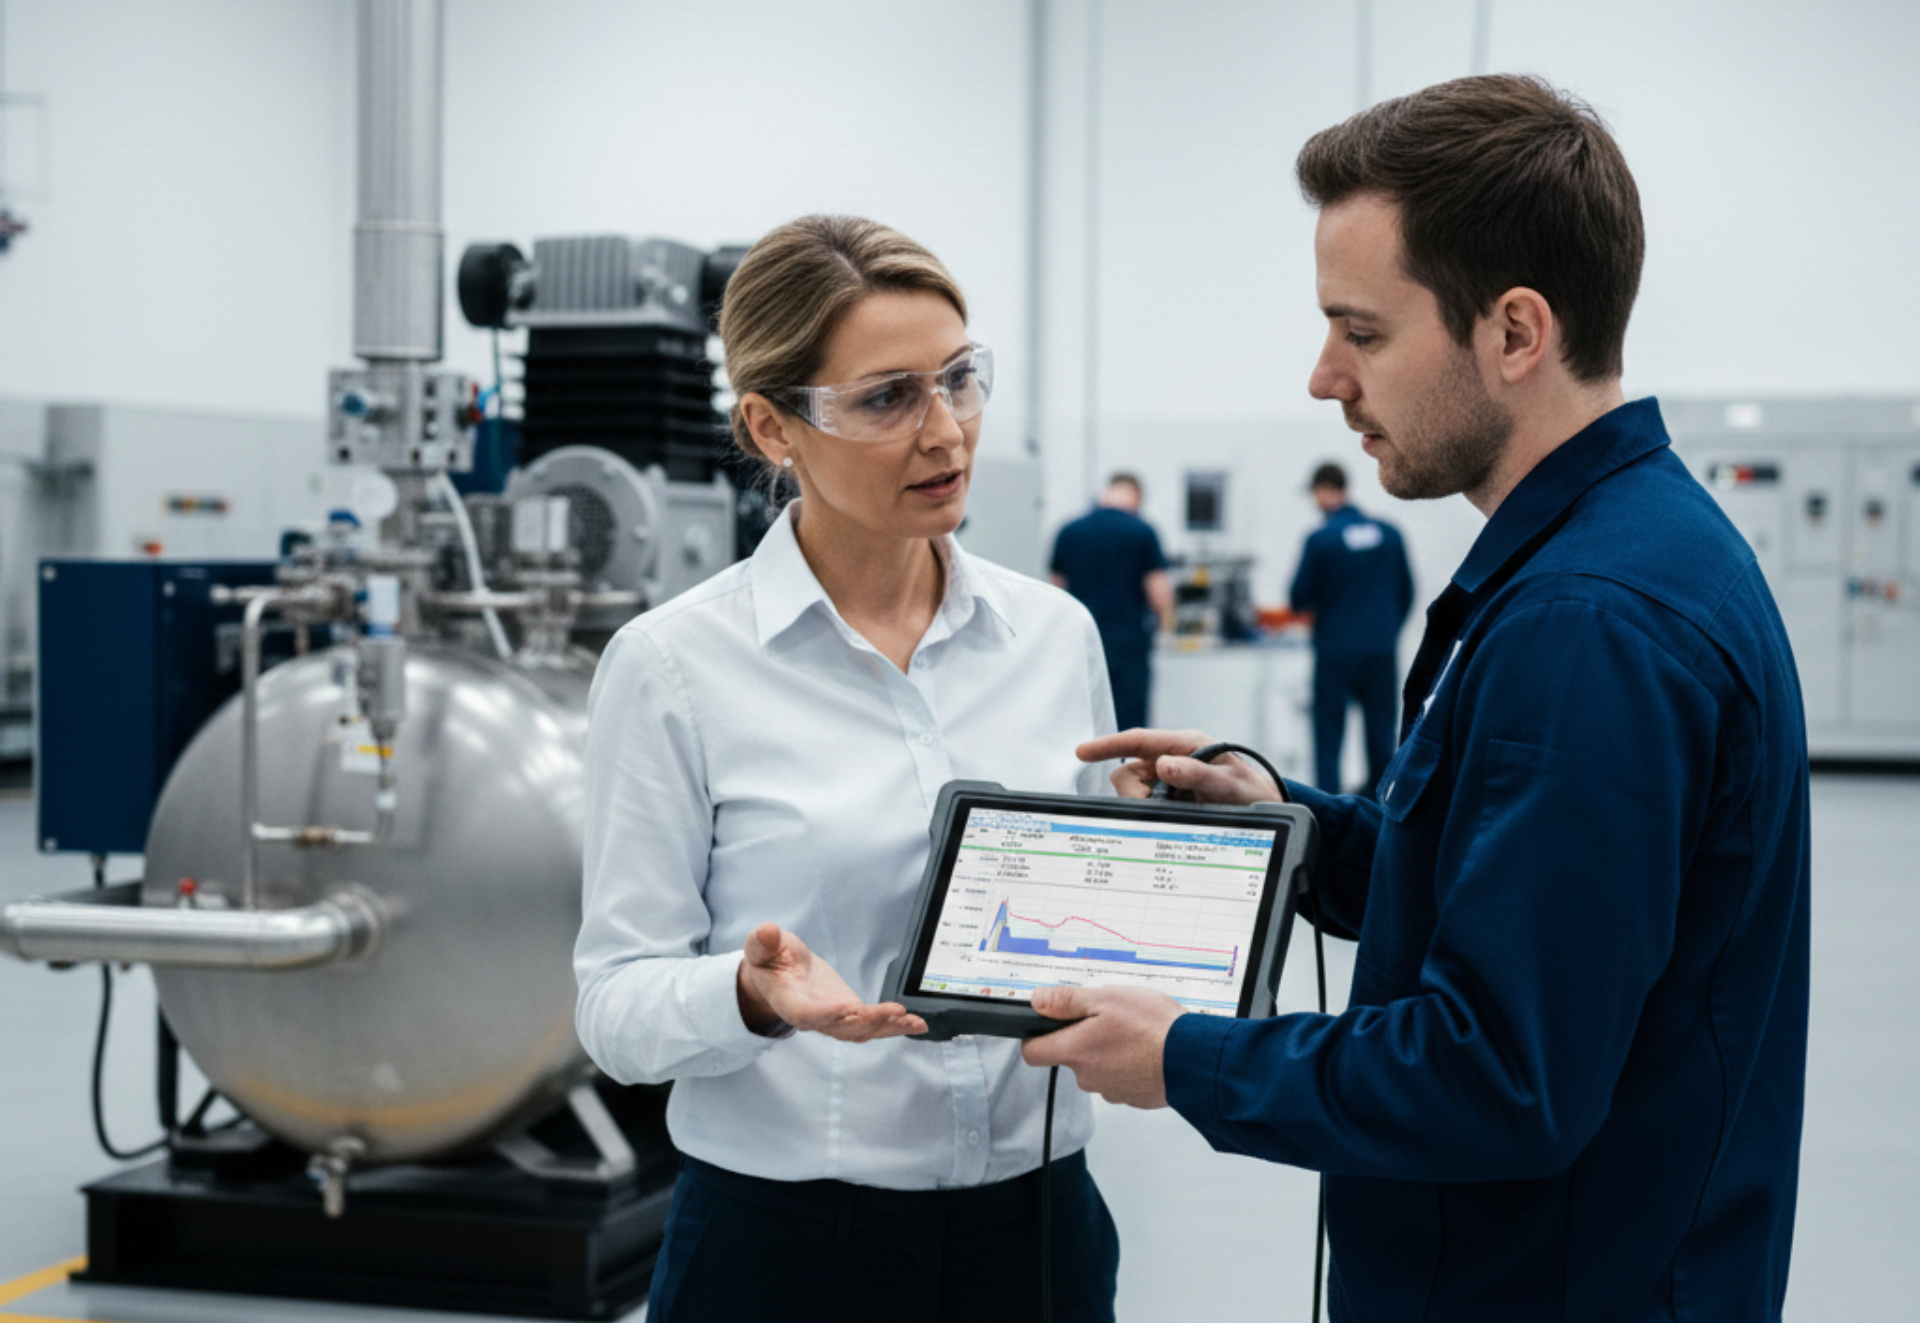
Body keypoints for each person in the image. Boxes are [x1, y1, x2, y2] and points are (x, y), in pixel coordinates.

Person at [1024, 75, 1810, 1322]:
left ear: (1514, 333)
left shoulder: (1587, 624)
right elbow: (1522, 893)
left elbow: (1500, 1073)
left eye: (1365, 332)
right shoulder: (1623, 549)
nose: (1324, 378)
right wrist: (1298, 827)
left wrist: (1185, 1058)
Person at [574, 215, 1122, 1323]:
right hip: (788, 1251)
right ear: (773, 427)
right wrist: (748, 994)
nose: (947, 432)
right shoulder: (676, 667)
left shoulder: (1055, 637)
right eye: (888, 398)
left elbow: (1096, 915)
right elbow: (615, 1005)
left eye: (961, 380)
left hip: (1039, 1232)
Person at [1289, 461, 1413, 795]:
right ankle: (1379, 811)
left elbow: (1299, 598)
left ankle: (1327, 810)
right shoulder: (1389, 533)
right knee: (1381, 734)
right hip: (1380, 651)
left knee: (1328, 737)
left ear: (1323, 491)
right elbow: (1407, 591)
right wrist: (1385, 631)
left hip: (1334, 652)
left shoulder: (1321, 538)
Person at [1050, 472, 1173, 730]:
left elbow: (1055, 591)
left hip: (1079, 642)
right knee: (1128, 726)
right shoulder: (1142, 531)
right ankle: (1126, 770)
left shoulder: (1069, 530)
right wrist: (1166, 628)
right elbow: (1159, 594)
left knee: (1082, 720)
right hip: (1128, 644)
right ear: (1136, 496)